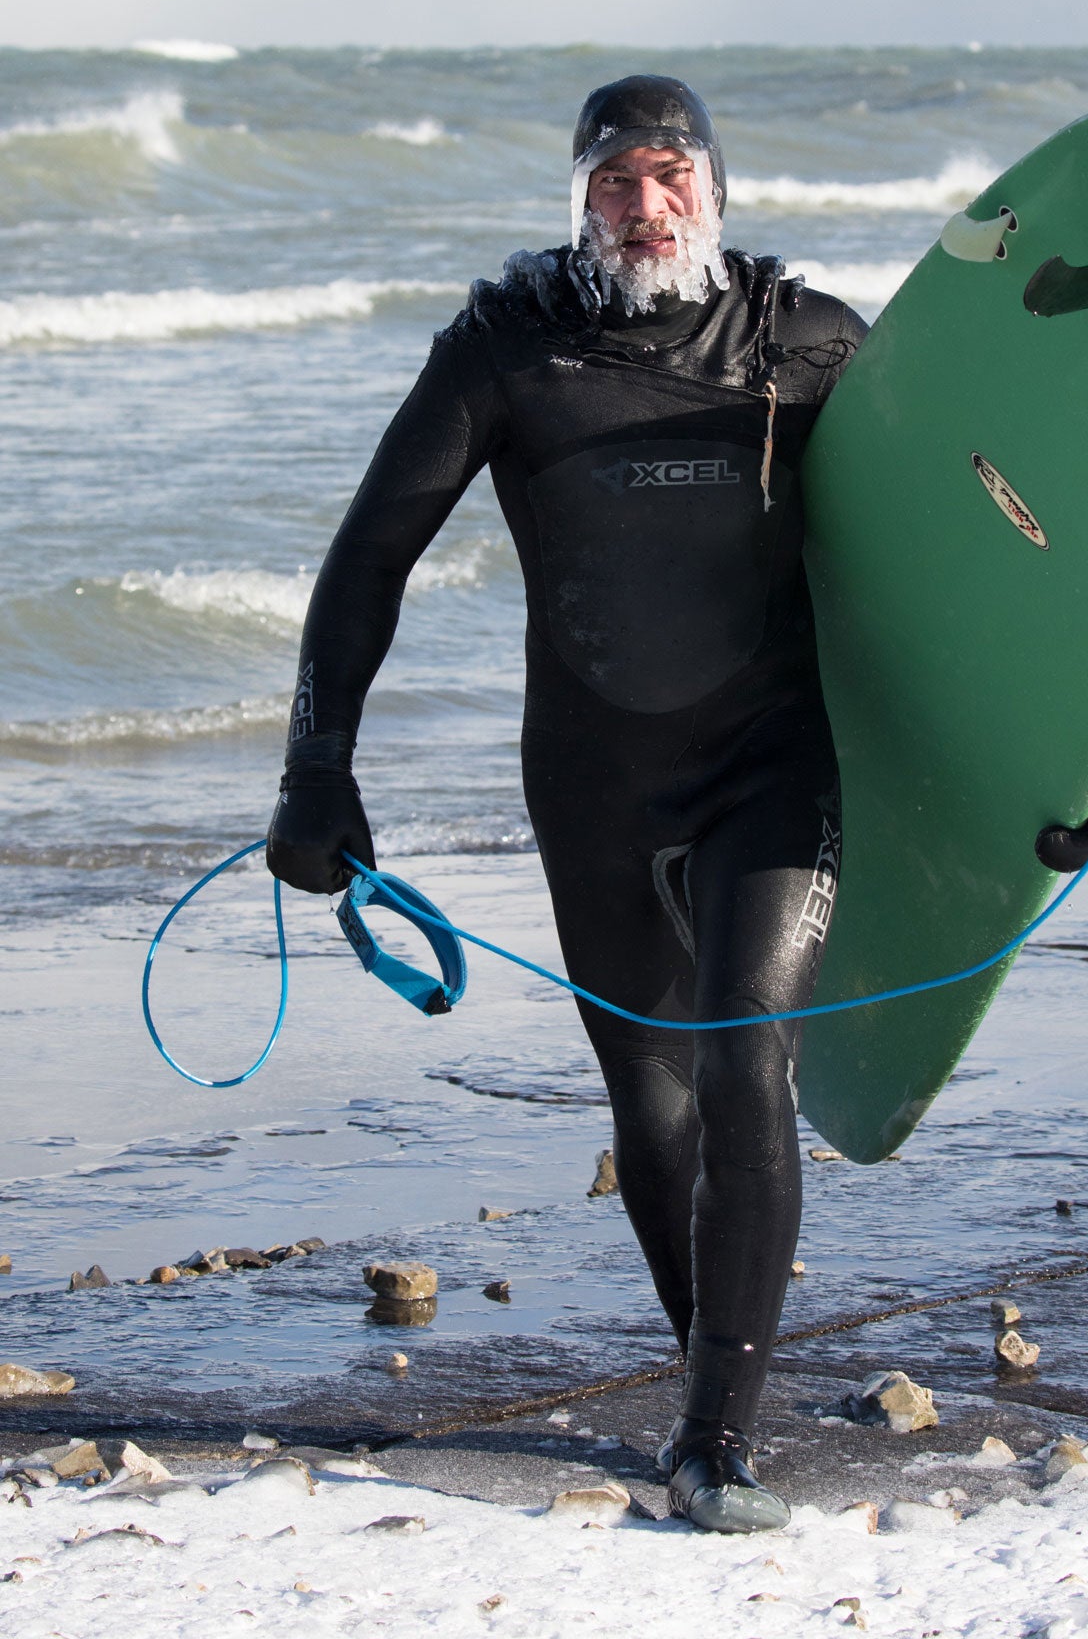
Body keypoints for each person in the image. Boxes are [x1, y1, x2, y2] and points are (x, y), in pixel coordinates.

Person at [267, 75, 868, 1533]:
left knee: (744, 1065)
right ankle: (704, 1375)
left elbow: (986, 516)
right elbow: (371, 554)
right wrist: (315, 766)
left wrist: (1044, 745)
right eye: (613, 183)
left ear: (714, 189)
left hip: (770, 762)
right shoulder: (507, 348)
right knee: (652, 1108)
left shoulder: (811, 341)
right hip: (593, 778)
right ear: (578, 200)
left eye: (670, 176)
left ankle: (719, 1442)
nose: (644, 207)